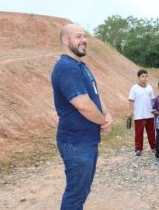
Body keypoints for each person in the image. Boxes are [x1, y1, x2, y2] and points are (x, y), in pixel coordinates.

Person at [51, 24, 113, 210]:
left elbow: (95, 95)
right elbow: (83, 105)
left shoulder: (80, 66)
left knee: (81, 192)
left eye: (84, 36)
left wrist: (107, 114)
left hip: (86, 141)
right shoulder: (66, 67)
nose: (84, 40)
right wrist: (103, 121)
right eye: (78, 36)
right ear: (65, 40)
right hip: (75, 143)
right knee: (75, 195)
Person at [129, 69, 156, 156]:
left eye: (146, 76)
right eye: (142, 76)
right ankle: (138, 149)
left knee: (151, 132)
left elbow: (153, 100)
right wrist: (131, 112)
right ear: (138, 77)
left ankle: (154, 147)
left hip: (150, 114)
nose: (144, 78)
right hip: (139, 115)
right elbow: (131, 100)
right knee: (139, 133)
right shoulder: (134, 88)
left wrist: (155, 110)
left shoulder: (149, 87)